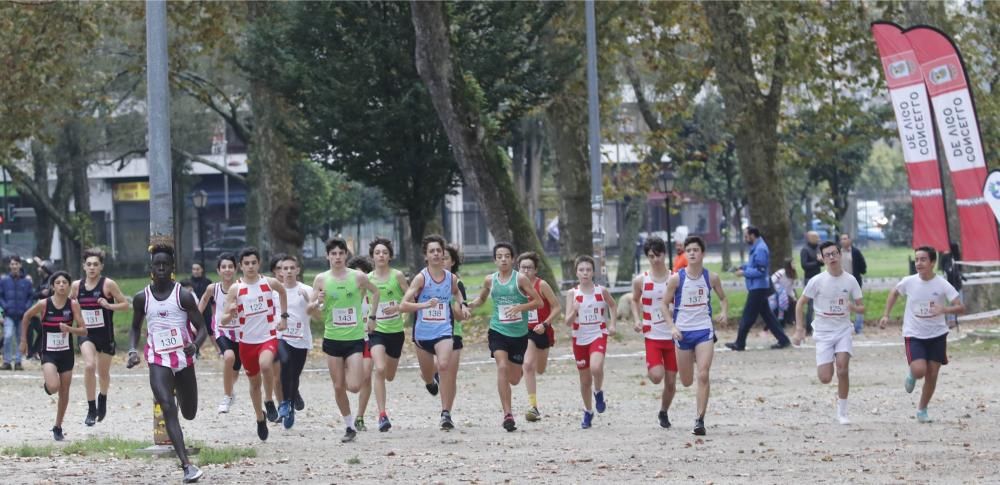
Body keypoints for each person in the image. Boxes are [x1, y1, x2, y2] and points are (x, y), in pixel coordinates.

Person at [126, 243, 208, 483]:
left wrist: (195, 344)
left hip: (183, 357)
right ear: (151, 268)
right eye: (156, 265)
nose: (161, 268)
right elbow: (134, 327)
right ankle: (187, 466)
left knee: (189, 412)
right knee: (167, 406)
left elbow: (203, 328)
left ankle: (184, 399)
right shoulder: (143, 298)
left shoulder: (182, 295)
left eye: (165, 265)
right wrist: (132, 350)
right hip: (158, 358)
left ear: (172, 268)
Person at [878, 247, 964, 423]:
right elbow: (894, 293)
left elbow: (961, 306)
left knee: (932, 374)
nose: (918, 263)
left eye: (923, 259)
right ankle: (912, 374)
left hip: (937, 334)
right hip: (914, 333)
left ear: (932, 262)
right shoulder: (909, 282)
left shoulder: (941, 284)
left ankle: (922, 409)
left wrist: (944, 309)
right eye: (916, 260)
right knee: (919, 371)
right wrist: (886, 314)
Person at [309, 238, 380, 443]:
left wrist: (373, 317)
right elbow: (311, 307)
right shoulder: (321, 279)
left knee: (355, 386)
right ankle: (349, 426)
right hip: (332, 339)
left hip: (355, 338)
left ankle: (349, 368)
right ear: (327, 256)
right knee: (338, 386)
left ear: (346, 256)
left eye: (341, 253)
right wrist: (317, 303)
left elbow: (376, 292)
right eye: (334, 254)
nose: (337, 257)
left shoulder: (357, 277)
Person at [468, 242, 542, 432]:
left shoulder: (521, 280)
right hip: (498, 330)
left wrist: (520, 307)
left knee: (515, 379)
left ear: (512, 259)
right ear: (494, 260)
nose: (503, 259)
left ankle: (509, 399)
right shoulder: (489, 280)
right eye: (499, 256)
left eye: (507, 256)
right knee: (501, 366)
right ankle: (507, 414)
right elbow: (482, 298)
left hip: (519, 334)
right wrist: (472, 305)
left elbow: (538, 302)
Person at [220, 247, 289, 441]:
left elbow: (283, 293)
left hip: (267, 336)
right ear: (241, 266)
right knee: (253, 384)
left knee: (266, 365)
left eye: (253, 263)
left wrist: (283, 317)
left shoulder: (269, 283)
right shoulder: (236, 288)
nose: (250, 266)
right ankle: (260, 417)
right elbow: (223, 320)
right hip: (246, 342)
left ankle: (269, 400)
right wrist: (231, 312)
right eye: (246, 263)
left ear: (259, 264)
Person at [400, 235, 468, 431]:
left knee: (445, 365)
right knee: (428, 373)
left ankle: (445, 413)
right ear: (426, 256)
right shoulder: (421, 278)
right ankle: (430, 381)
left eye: (439, 250)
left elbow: (456, 292)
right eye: (432, 251)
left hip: (444, 330)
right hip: (422, 335)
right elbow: (404, 305)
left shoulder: (451, 278)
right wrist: (424, 304)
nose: (436, 254)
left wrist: (462, 305)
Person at [792, 241, 864, 425]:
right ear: (822, 259)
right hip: (823, 332)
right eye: (827, 255)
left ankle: (843, 412)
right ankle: (828, 360)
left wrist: (853, 307)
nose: (831, 257)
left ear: (840, 255)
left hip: (843, 330)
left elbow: (862, 308)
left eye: (834, 253)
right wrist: (800, 329)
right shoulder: (817, 281)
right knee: (825, 378)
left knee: (843, 368)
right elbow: (801, 303)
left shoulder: (850, 280)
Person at [662, 236, 728, 435]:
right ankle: (689, 357)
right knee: (687, 380)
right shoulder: (676, 278)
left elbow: (723, 298)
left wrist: (724, 311)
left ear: (702, 253)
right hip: (682, 333)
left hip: (703, 330)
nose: (691, 253)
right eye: (688, 250)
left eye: (695, 250)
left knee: (703, 374)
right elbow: (664, 304)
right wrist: (672, 327)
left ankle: (700, 420)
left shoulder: (711, 277)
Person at [19, 271, 86, 441]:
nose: (62, 285)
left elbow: (84, 330)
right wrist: (24, 341)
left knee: (64, 390)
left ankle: (58, 426)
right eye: (58, 282)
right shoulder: (44, 304)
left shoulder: (73, 305)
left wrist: (70, 329)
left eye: (65, 282)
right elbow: (26, 316)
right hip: (48, 352)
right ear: (52, 286)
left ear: (69, 285)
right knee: (54, 386)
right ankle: (48, 386)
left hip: (66, 353)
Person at [70, 248, 130, 426]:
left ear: (101, 267)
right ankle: (91, 408)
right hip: (86, 334)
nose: (92, 268)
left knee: (103, 374)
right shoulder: (76, 286)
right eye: (88, 264)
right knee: (89, 366)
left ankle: (102, 398)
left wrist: (109, 306)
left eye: (95, 264)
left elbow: (125, 305)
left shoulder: (108, 284)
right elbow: (68, 304)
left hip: (105, 335)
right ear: (83, 266)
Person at [564, 255, 617, 429]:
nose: (585, 273)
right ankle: (588, 411)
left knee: (596, 367)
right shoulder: (573, 293)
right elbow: (567, 322)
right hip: (579, 338)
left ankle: (598, 391)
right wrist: (574, 311)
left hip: (598, 334)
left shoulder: (601, 291)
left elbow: (612, 305)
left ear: (593, 272)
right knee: (585, 379)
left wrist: (613, 324)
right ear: (577, 272)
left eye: (588, 270)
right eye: (581, 270)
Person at [630, 236, 677, 429]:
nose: (656, 260)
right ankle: (651, 365)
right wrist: (636, 319)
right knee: (657, 377)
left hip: (673, 336)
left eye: (658, 255)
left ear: (665, 254)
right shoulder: (641, 280)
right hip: (653, 335)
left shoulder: (675, 278)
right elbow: (634, 300)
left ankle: (663, 412)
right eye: (651, 256)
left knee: (672, 382)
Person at [365, 238, 409, 432]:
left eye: (384, 252)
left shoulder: (397, 276)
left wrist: (399, 308)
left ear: (390, 256)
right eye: (377, 252)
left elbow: (411, 298)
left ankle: (382, 411)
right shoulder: (367, 279)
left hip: (396, 332)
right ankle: (382, 415)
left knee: (389, 375)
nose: (381, 255)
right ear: (372, 257)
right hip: (376, 331)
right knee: (380, 369)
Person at [726, 226, 792, 351]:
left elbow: (761, 271)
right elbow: (754, 265)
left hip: (758, 288)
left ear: (752, 235)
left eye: (746, 236)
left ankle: (740, 343)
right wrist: (743, 267)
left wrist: (744, 273)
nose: (745, 239)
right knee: (768, 316)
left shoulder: (760, 249)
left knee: (747, 315)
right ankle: (783, 340)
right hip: (759, 287)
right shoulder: (757, 247)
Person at [517, 251, 562, 423]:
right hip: (525, 331)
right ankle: (533, 406)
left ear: (535, 270)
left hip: (543, 330)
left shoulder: (542, 285)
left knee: (540, 369)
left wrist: (545, 324)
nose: (526, 271)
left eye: (529, 268)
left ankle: (533, 368)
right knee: (527, 365)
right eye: (523, 267)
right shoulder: (516, 286)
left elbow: (557, 307)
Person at [197, 253, 243, 414]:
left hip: (242, 333)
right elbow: (203, 301)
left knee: (235, 372)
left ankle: (230, 392)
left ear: (236, 268)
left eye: (230, 266)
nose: (227, 269)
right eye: (224, 267)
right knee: (229, 357)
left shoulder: (242, 286)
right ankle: (226, 396)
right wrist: (194, 321)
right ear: (218, 270)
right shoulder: (213, 288)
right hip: (222, 331)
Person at [275, 255, 314, 429]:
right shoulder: (275, 291)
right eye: (285, 268)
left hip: (301, 338)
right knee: (284, 364)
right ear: (280, 272)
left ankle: (291, 405)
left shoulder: (306, 289)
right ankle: (284, 402)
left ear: (298, 270)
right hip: (281, 336)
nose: (289, 271)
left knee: (294, 375)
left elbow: (319, 313)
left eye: (292, 268)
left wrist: (309, 299)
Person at [346, 255, 375, 432]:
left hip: (369, 339)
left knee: (366, 377)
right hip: (349, 339)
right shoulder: (347, 292)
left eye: (363, 275)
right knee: (351, 386)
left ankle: (360, 417)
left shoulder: (373, 293)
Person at [442, 244, 467, 423]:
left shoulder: (457, 284)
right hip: (430, 333)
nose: (441, 260)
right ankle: (431, 378)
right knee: (436, 368)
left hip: (453, 333)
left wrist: (450, 304)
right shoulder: (424, 280)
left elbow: (460, 317)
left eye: (445, 258)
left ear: (452, 262)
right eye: (438, 256)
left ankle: (446, 413)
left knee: (450, 374)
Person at [2, 255, 34, 370]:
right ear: (9, 266)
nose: (14, 266)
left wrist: (27, 308)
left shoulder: (27, 281)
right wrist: (5, 307)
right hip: (9, 314)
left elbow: (31, 297)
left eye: (16, 264)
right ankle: (6, 361)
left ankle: (18, 362)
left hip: (22, 316)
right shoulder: (4, 280)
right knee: (8, 336)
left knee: (21, 339)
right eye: (12, 264)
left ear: (20, 265)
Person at [838, 234, 868, 334]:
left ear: (850, 240)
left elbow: (863, 267)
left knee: (858, 305)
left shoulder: (856, 252)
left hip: (854, 283)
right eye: (842, 239)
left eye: (845, 239)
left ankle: (858, 327)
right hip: (841, 283)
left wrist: (858, 272)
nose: (843, 241)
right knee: (841, 304)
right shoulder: (838, 253)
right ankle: (843, 327)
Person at [27, 259, 55, 360]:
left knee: (44, 332)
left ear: (45, 269)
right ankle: (32, 352)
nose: (38, 269)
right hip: (41, 312)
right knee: (34, 329)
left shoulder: (51, 280)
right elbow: (34, 295)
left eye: (40, 268)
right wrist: (40, 294)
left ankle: (35, 352)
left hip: (50, 312)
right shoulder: (42, 281)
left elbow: (48, 293)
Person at [800, 231, 824, 331]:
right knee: (810, 304)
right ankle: (809, 327)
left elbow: (821, 263)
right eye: (815, 237)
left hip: (819, 278)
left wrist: (821, 261)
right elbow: (804, 265)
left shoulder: (819, 248)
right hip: (809, 279)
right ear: (809, 238)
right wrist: (817, 263)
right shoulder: (805, 250)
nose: (818, 239)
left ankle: (820, 325)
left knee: (821, 303)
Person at [770, 259, 798, 327]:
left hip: (785, 294)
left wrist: (793, 297)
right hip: (776, 293)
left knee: (794, 301)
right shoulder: (781, 272)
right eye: (793, 263)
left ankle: (789, 320)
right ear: (789, 265)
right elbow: (772, 281)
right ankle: (778, 322)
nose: (794, 265)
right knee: (783, 301)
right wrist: (779, 290)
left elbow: (790, 288)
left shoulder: (793, 274)